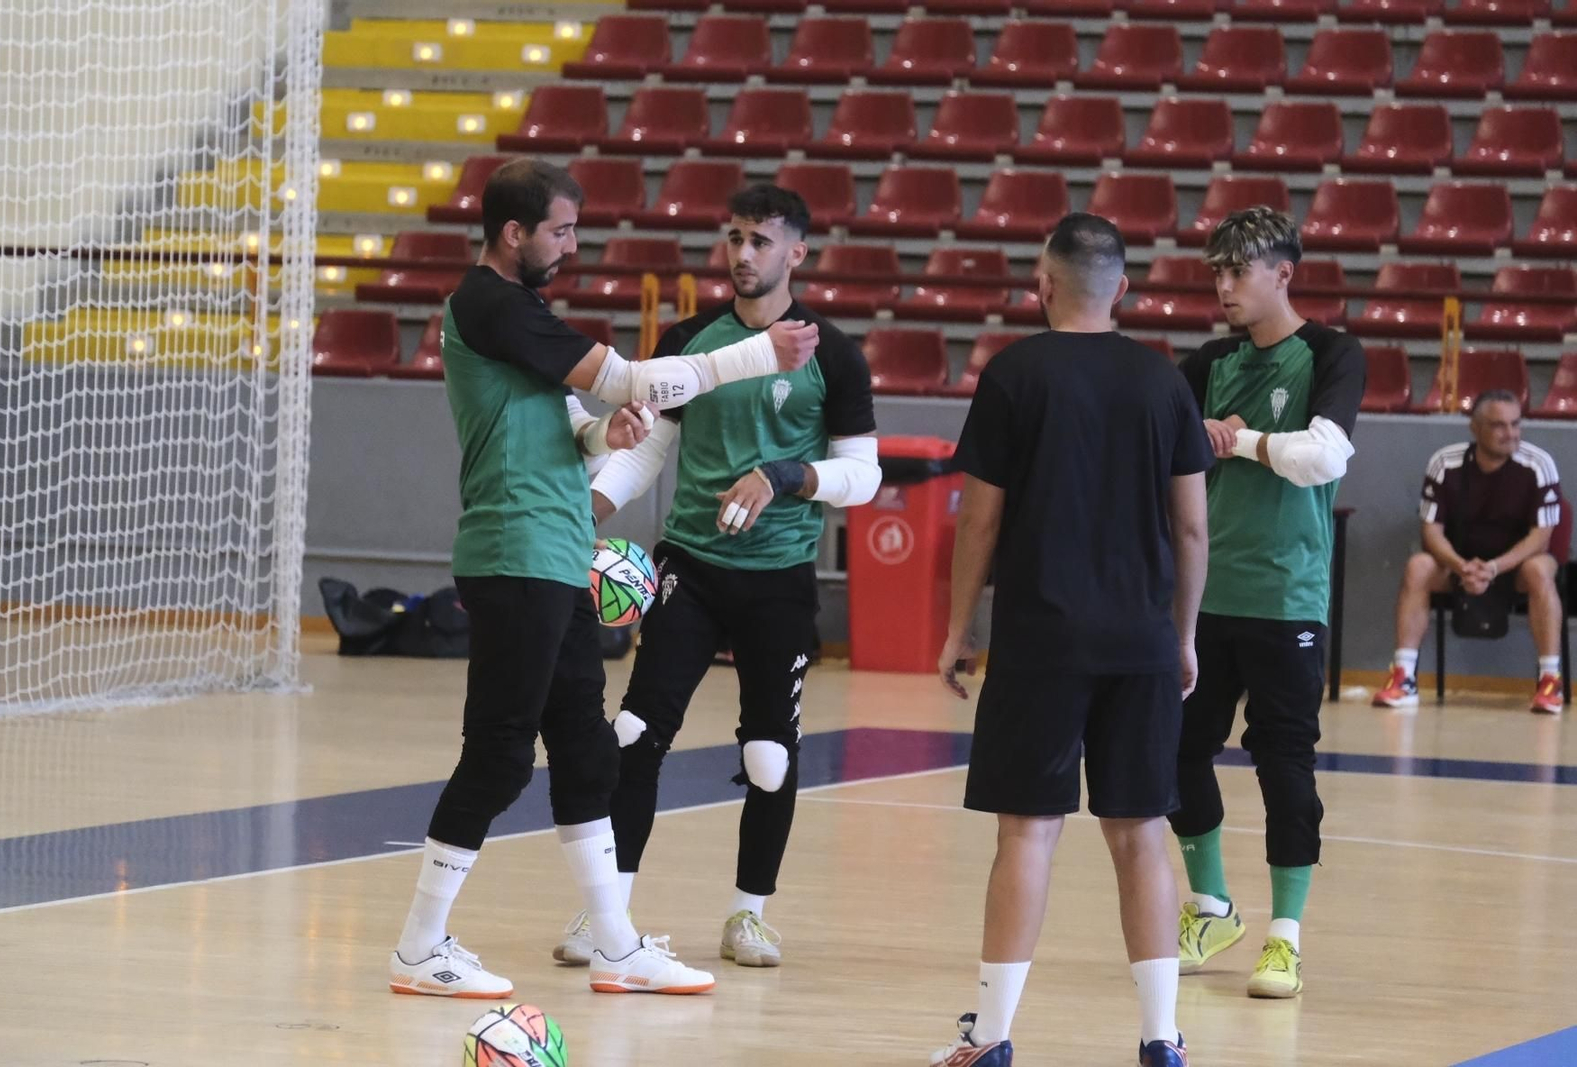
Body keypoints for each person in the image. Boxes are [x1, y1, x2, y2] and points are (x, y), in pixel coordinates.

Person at [387, 158, 819, 999]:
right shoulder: (489, 303)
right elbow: (633, 377)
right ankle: (418, 945)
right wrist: (755, 353)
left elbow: (568, 421)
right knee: (502, 755)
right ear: (515, 234)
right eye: (561, 229)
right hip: (513, 547)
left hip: (552, 551)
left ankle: (615, 943)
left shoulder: (524, 312)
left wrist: (603, 437)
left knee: (586, 752)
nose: (572, 244)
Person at [551, 184, 880, 970]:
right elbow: (649, 449)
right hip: (688, 569)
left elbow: (862, 475)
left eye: (761, 240)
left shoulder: (831, 353)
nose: (742, 254)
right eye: (734, 236)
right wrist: (587, 509)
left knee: (769, 752)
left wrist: (786, 475)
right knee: (634, 733)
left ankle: (750, 915)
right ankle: (610, 915)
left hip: (778, 578)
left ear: (797, 252)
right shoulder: (691, 338)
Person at [931, 213, 1211, 1067]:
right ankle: (1160, 1037)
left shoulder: (1012, 372)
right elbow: (1193, 527)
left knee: (1028, 832)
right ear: (1121, 288)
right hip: (1141, 640)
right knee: (1142, 834)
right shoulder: (1164, 382)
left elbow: (979, 517)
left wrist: (957, 629)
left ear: (1041, 286)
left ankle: (994, 1036)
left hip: (1040, 636)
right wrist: (1184, 636)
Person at [1167, 206, 1366, 1001]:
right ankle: (1211, 905)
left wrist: (1236, 440)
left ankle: (1284, 936)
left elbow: (1321, 457)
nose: (1223, 287)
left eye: (1237, 272)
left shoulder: (1331, 353)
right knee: (1176, 752)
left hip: (1288, 597)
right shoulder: (1206, 362)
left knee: (1284, 762)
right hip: (1204, 597)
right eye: (1215, 272)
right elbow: (1160, 444)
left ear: (1283, 272)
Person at [1372, 390, 1564, 714]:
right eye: (1499, 426)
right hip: (1458, 565)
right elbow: (1431, 530)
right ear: (1474, 428)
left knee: (1541, 569)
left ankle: (1549, 680)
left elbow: (1541, 537)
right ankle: (1404, 677)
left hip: (1515, 567)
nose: (1511, 434)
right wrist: (1461, 566)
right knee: (1418, 566)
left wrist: (1493, 568)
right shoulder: (1445, 462)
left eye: (1516, 424)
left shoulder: (1538, 464)